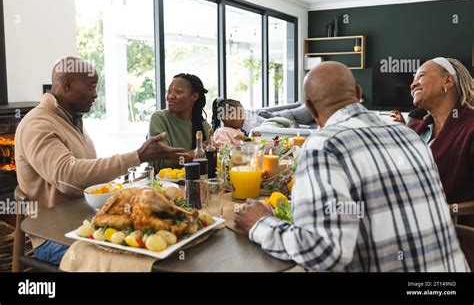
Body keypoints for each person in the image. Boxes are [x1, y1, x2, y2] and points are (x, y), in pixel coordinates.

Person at [234, 61, 469, 272]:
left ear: (310, 108)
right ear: (358, 93)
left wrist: (260, 224)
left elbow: (324, 253)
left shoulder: (323, 144)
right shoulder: (409, 135)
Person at [14, 57, 187, 265]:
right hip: (54, 236)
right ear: (66, 85)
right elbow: (67, 177)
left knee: (166, 238)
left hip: (85, 221)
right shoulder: (38, 124)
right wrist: (137, 157)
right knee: (137, 260)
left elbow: (86, 172)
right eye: (91, 87)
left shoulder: (70, 118)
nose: (95, 94)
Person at [407, 57, 474, 269]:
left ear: (447, 81)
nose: (413, 83)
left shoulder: (470, 129)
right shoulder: (416, 131)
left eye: (421, 76)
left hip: (454, 239)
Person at [148, 73, 211, 170]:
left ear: (194, 96)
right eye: (169, 91)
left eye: (178, 92)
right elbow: (161, 163)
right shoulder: (159, 118)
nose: (170, 96)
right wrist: (196, 153)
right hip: (164, 184)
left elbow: (210, 163)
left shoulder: (205, 127)